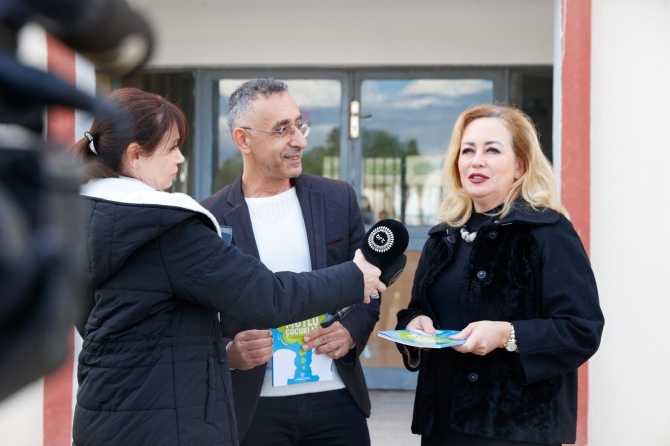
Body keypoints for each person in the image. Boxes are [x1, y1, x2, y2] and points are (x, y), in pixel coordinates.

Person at [71, 87, 385, 446]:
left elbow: (91, 320)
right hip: (171, 421)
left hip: (109, 414)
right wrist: (355, 277)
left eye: (301, 125)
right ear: (136, 155)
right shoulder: (173, 226)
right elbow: (267, 297)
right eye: (172, 146)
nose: (181, 158)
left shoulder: (83, 219)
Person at [396, 104, 604, 446]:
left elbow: (581, 330)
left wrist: (507, 334)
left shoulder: (548, 232)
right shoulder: (443, 237)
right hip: (443, 425)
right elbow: (418, 308)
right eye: (468, 150)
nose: (476, 160)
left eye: (492, 150)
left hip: (515, 429)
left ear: (520, 165)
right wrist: (414, 322)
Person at [201, 78, 381, 446]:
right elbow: (195, 313)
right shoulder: (209, 217)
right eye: (283, 129)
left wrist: (351, 331)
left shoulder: (337, 198)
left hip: (337, 401)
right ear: (243, 139)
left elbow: (370, 283)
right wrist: (229, 353)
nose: (299, 140)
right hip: (254, 409)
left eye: (299, 125)